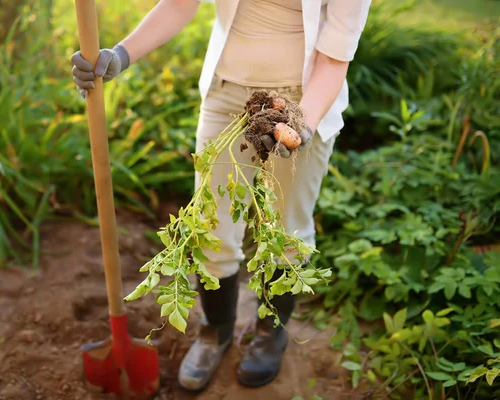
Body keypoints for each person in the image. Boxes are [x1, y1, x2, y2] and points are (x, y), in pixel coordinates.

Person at [71, 0, 372, 392]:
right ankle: (215, 332)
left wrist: (303, 124)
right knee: (210, 224)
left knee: (287, 230)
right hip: (227, 95)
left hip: (301, 102)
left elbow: (333, 62)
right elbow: (180, 4)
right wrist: (120, 55)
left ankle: (271, 332)